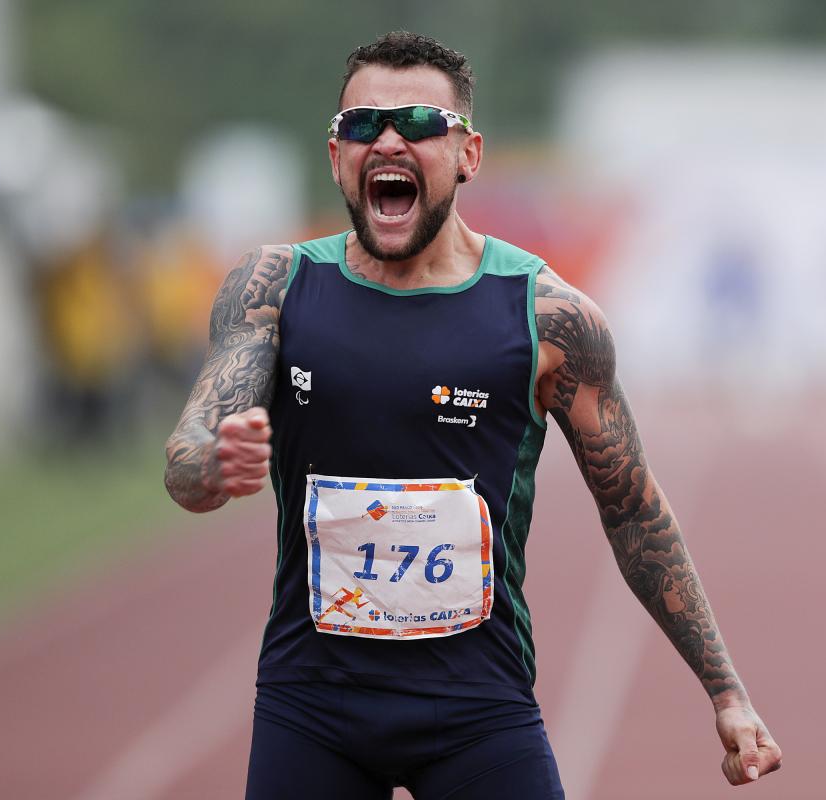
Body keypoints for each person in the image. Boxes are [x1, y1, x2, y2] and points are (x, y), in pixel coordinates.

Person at [164, 31, 781, 799]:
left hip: (476, 709)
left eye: (418, 123)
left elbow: (634, 511)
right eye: (362, 125)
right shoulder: (274, 287)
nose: (387, 139)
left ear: (468, 154)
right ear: (335, 157)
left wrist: (725, 691)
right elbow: (188, 456)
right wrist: (213, 464)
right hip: (312, 703)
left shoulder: (548, 318)